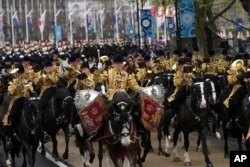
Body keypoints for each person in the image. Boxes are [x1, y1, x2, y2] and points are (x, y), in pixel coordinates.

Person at [2, 64, 34, 149]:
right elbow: (10, 93)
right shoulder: (12, 82)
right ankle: (8, 138)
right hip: (16, 101)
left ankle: (41, 134)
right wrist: (16, 84)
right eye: (18, 73)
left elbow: (30, 90)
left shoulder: (26, 81)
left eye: (20, 73)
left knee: (36, 113)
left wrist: (27, 85)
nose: (19, 75)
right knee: (8, 118)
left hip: (25, 100)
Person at [167, 58, 194, 125]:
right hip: (180, 90)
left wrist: (190, 82)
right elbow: (176, 84)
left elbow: (192, 80)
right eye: (181, 65)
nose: (183, 66)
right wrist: (182, 77)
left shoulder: (189, 72)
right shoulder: (176, 74)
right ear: (178, 66)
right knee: (176, 100)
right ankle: (175, 115)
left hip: (189, 89)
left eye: (183, 65)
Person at [223, 59, 247, 129]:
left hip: (246, 88)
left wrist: (246, 78)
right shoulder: (232, 71)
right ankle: (230, 119)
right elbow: (230, 81)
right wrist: (237, 77)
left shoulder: (245, 69)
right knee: (232, 101)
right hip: (236, 88)